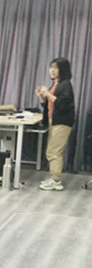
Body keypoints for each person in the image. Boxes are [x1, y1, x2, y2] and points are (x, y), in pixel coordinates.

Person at [36, 57, 76, 191]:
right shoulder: (56, 84)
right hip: (54, 121)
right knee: (52, 151)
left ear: (62, 70)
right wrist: (42, 96)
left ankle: (56, 181)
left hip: (62, 122)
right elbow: (49, 106)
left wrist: (48, 94)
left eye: (56, 68)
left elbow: (62, 105)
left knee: (54, 152)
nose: (52, 70)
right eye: (51, 67)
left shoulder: (66, 85)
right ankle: (54, 178)